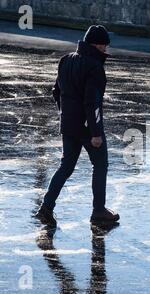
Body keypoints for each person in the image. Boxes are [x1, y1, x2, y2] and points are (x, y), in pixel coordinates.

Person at [35, 25, 119, 226]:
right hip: (88, 128)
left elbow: (56, 92)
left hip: (69, 125)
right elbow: (93, 102)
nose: (106, 51)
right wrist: (96, 133)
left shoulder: (66, 60)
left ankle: (46, 207)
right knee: (100, 165)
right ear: (97, 45)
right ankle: (98, 211)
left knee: (66, 166)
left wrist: (65, 115)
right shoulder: (94, 67)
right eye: (104, 46)